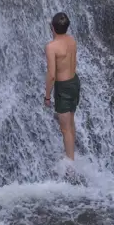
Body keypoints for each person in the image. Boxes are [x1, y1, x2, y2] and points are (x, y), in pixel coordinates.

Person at [44, 12, 80, 160]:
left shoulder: (51, 47)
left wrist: (47, 96)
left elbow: (52, 75)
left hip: (63, 87)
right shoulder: (72, 41)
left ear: (52, 27)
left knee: (65, 129)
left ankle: (71, 167)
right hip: (74, 83)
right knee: (71, 123)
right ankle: (72, 154)